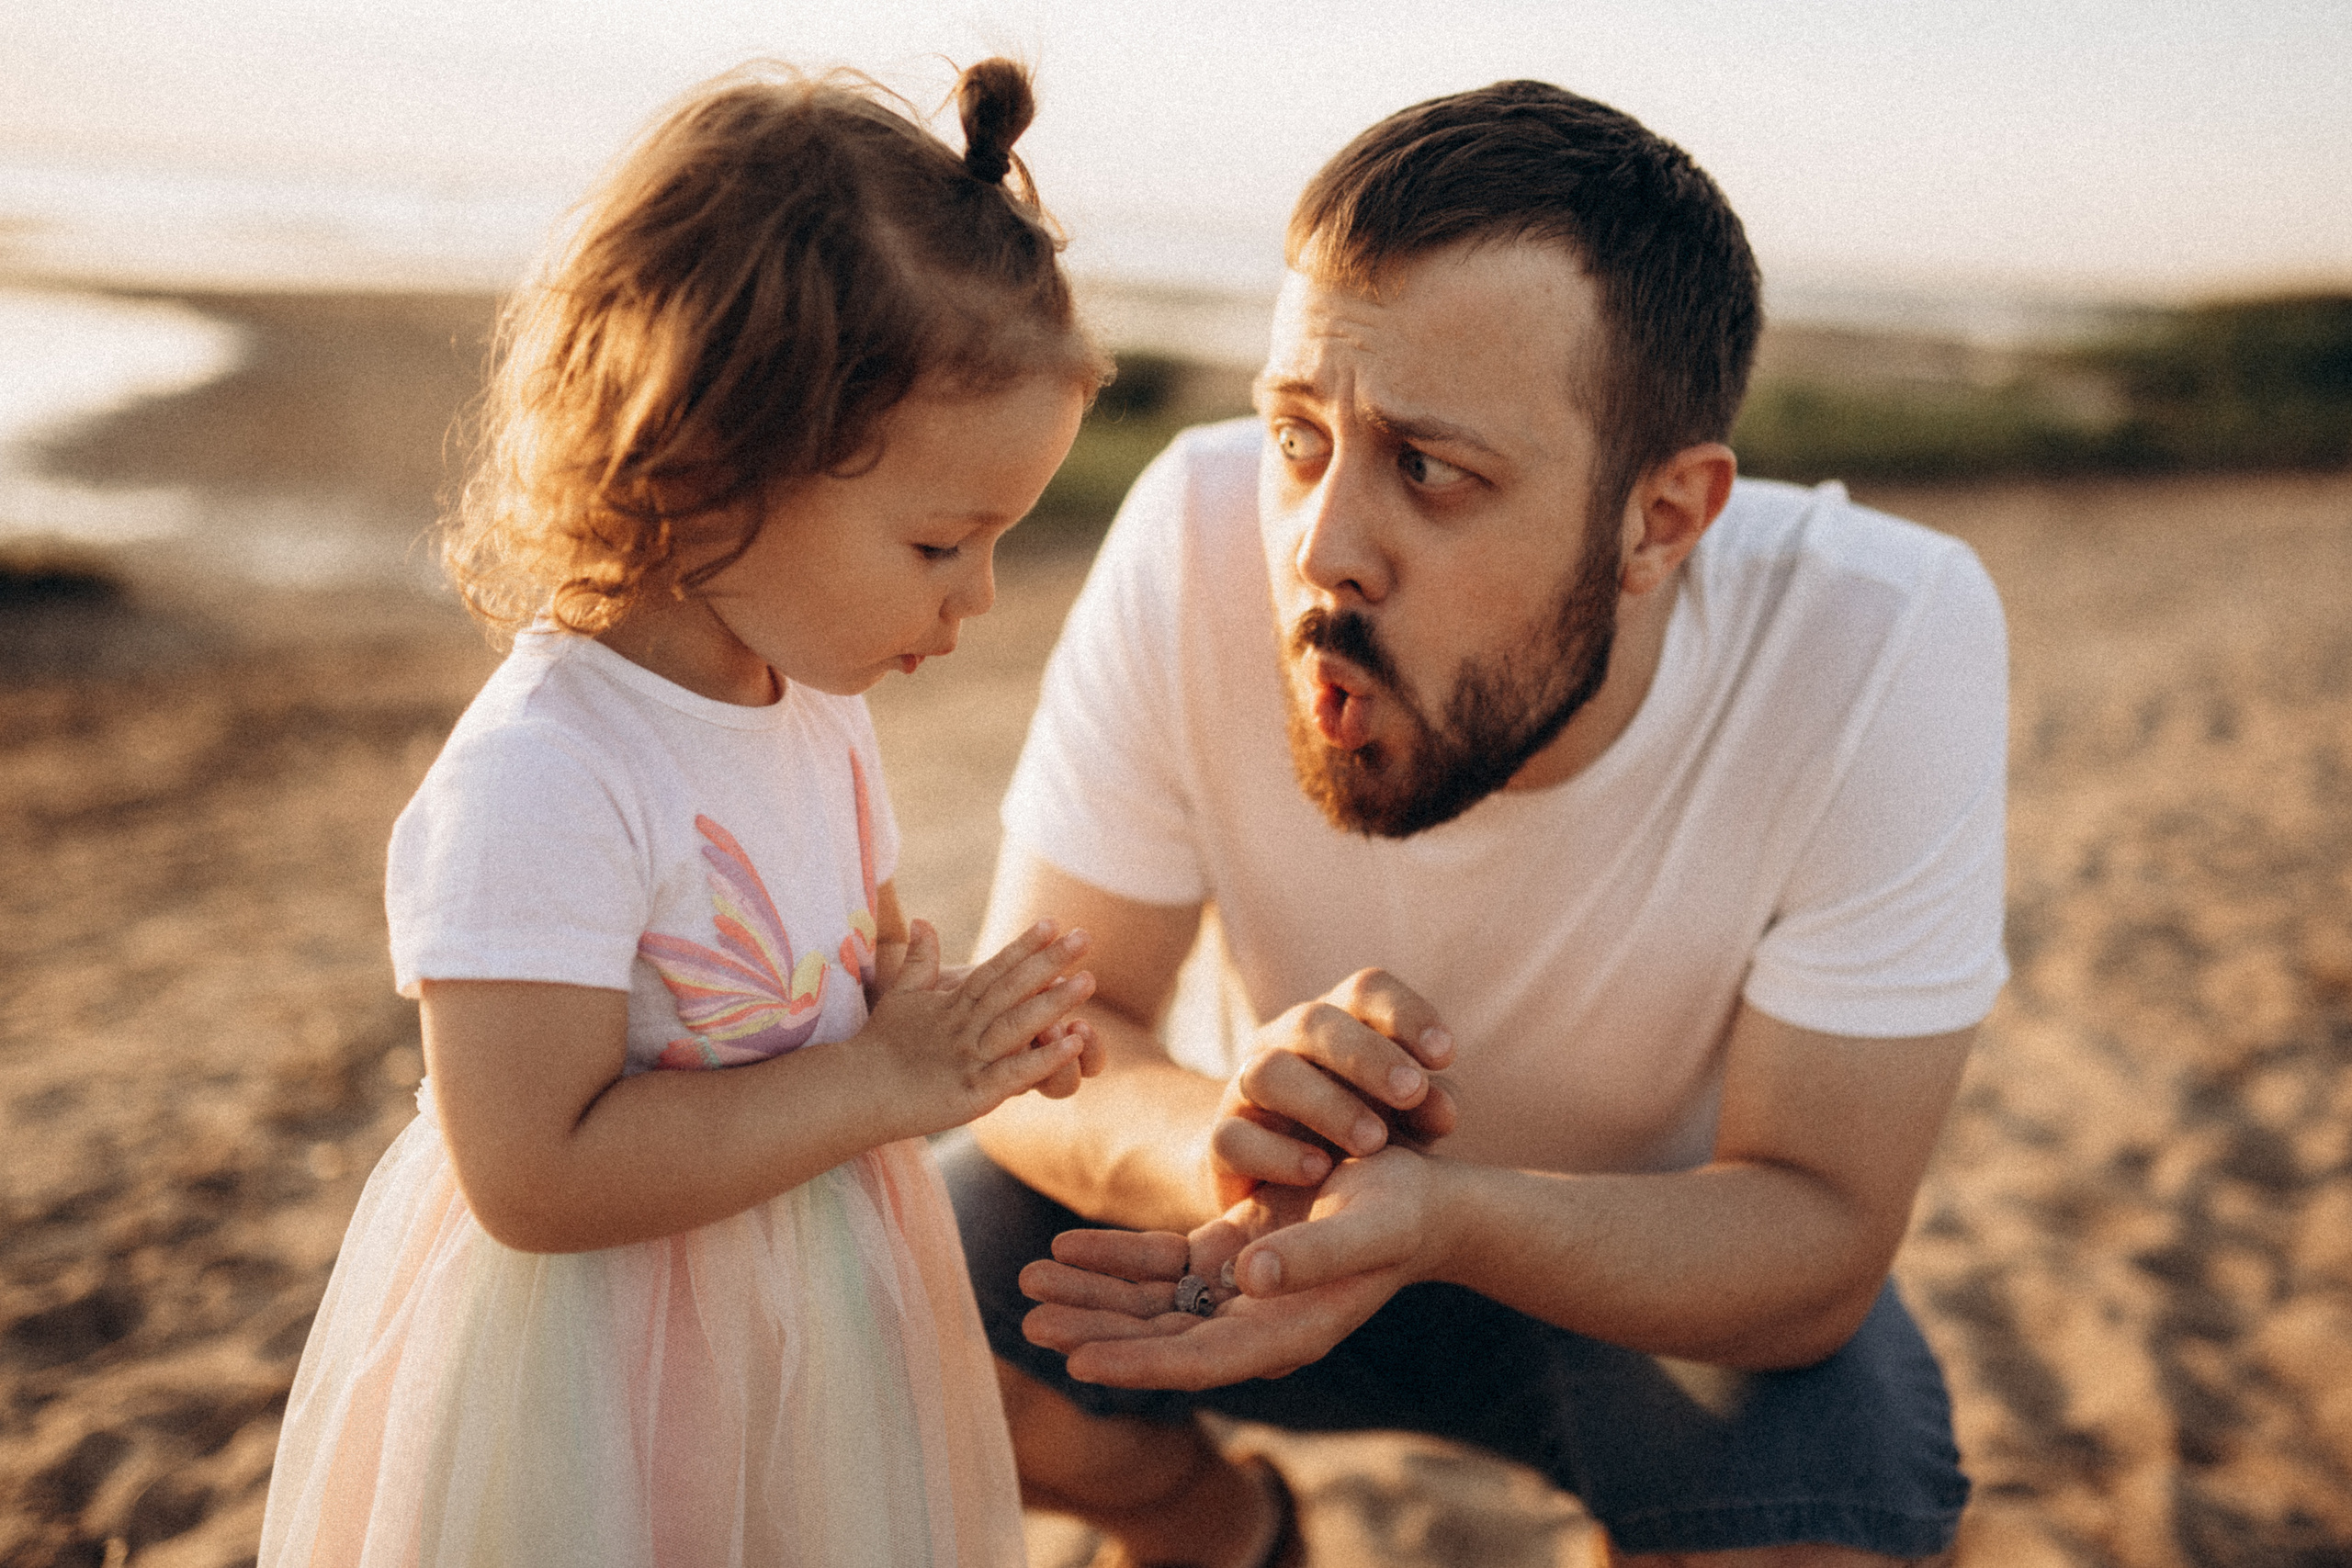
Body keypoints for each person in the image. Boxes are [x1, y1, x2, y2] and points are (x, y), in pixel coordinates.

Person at [945, 79, 2007, 1567]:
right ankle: (1222, 1533)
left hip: (1643, 1279)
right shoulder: (1194, 529)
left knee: (1823, 1530)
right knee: (889, 1307)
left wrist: (1443, 1216)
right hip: (1256, 1236)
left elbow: (1818, 1234)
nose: (1319, 550)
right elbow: (1044, 1042)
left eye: (1431, 471)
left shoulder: (1878, 635)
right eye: (1299, 434)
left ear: (1663, 521)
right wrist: (1226, 1145)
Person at [258, 58, 1112, 1568]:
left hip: (816, 1327)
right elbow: (532, 1171)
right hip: (593, 1373)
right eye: (939, 542)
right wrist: (881, 1084)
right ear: (708, 465)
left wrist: (949, 1023)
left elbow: (851, 978)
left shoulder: (816, 705)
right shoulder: (549, 769)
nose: (980, 600)